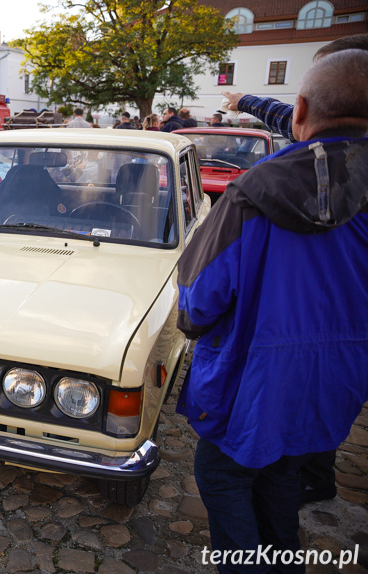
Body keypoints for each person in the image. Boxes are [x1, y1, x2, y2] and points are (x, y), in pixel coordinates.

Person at [175, 49, 368, 573]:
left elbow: (197, 301)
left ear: (300, 109)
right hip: (340, 379)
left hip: (255, 377)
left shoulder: (254, 192)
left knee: (221, 475)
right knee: (282, 471)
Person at [221, 33, 368, 143]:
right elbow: (288, 120)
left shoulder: (268, 176)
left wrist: (245, 101)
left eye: (327, 72)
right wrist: (245, 101)